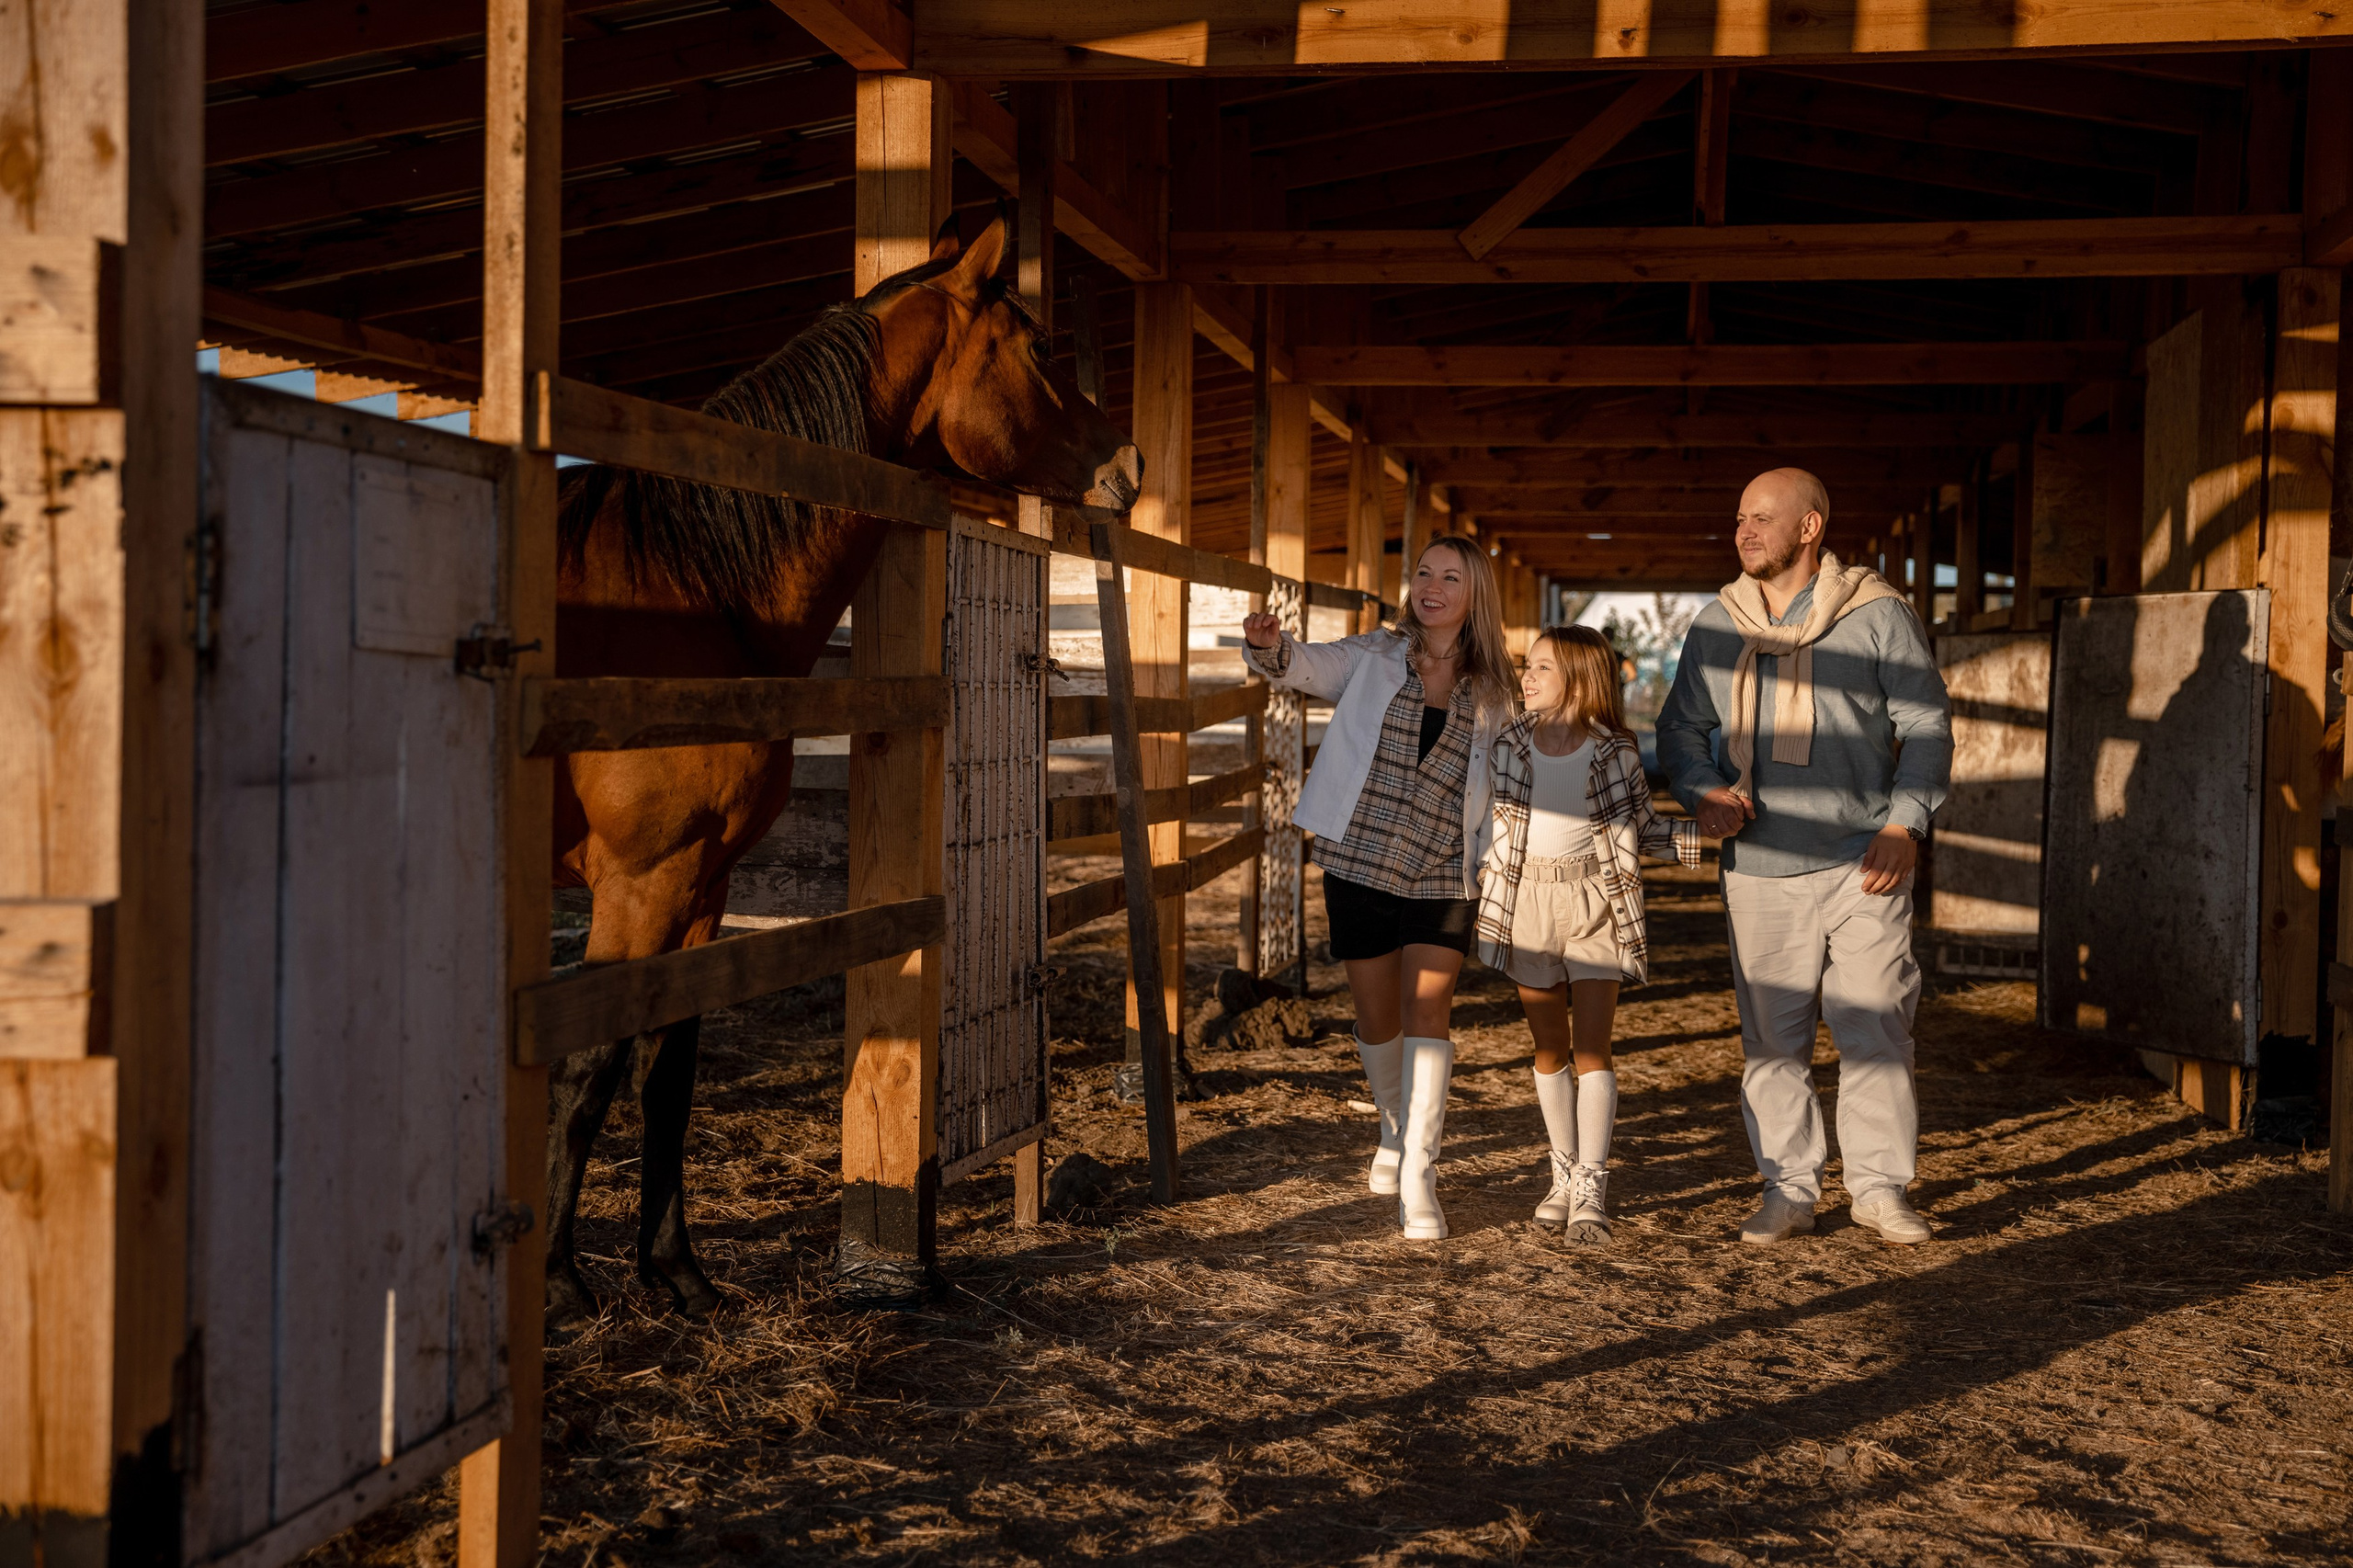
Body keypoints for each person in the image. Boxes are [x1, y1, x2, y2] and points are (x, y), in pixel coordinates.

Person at [1656, 467, 1952, 1246]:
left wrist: (1905, 824)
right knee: (1773, 1044)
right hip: (1758, 867)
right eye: (1740, 518)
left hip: (1865, 860)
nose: (1744, 532)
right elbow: (1680, 733)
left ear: (1810, 527)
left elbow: (1926, 725)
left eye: (1761, 518)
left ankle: (1880, 1189)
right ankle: (1787, 1189)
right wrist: (1703, 791)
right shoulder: (1719, 625)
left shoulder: (1878, 614)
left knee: (1878, 1029)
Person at [1242, 537, 1518, 1239]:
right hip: (1359, 859)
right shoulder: (1372, 657)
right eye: (1424, 571)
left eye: (1450, 576)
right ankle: (1394, 1128)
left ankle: (1420, 1172)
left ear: (1473, 594)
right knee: (1377, 1022)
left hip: (1444, 869)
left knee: (1429, 1014)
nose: (1432, 585)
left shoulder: (1495, 688)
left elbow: (1522, 769)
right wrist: (1271, 647)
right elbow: (1300, 665)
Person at [1473, 626, 1699, 1244]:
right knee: (1550, 1051)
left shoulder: (1614, 751)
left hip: (1597, 901)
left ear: (1579, 678)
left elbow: (1644, 828)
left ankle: (1592, 1185)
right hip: (1527, 905)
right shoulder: (1508, 744)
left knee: (1593, 1050)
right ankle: (1563, 1173)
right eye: (1529, 665)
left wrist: (1712, 842)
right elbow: (1480, 822)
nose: (1528, 676)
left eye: (1542, 667)